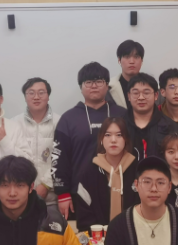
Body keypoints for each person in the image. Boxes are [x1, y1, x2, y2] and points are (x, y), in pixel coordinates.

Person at [51, 62, 127, 218]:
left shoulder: (123, 115)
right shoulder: (68, 118)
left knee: (118, 231)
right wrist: (63, 194)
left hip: (119, 190)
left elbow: (132, 151)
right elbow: (59, 158)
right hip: (80, 193)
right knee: (84, 233)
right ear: (81, 87)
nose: (94, 86)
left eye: (99, 81)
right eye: (89, 82)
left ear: (107, 85)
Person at [74, 117, 138, 233]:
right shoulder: (88, 174)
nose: (113, 140)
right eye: (108, 135)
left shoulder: (138, 171)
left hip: (133, 236)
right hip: (98, 237)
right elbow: (84, 217)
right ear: (101, 139)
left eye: (119, 135)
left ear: (126, 139)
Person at [12, 77, 60, 203]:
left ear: (48, 96)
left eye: (41, 92)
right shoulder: (14, 123)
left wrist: (46, 184)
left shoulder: (60, 122)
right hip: (21, 195)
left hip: (52, 196)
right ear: (25, 97)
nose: (36, 97)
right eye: (31, 93)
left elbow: (63, 158)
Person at [125, 73, 177, 163]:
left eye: (146, 93)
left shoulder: (169, 126)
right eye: (136, 93)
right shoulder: (119, 125)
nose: (141, 97)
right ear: (129, 96)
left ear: (156, 95)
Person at [108, 40, 145, 111]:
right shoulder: (108, 88)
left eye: (136, 57)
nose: (132, 61)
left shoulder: (153, 87)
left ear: (142, 61)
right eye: (127, 57)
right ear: (119, 60)